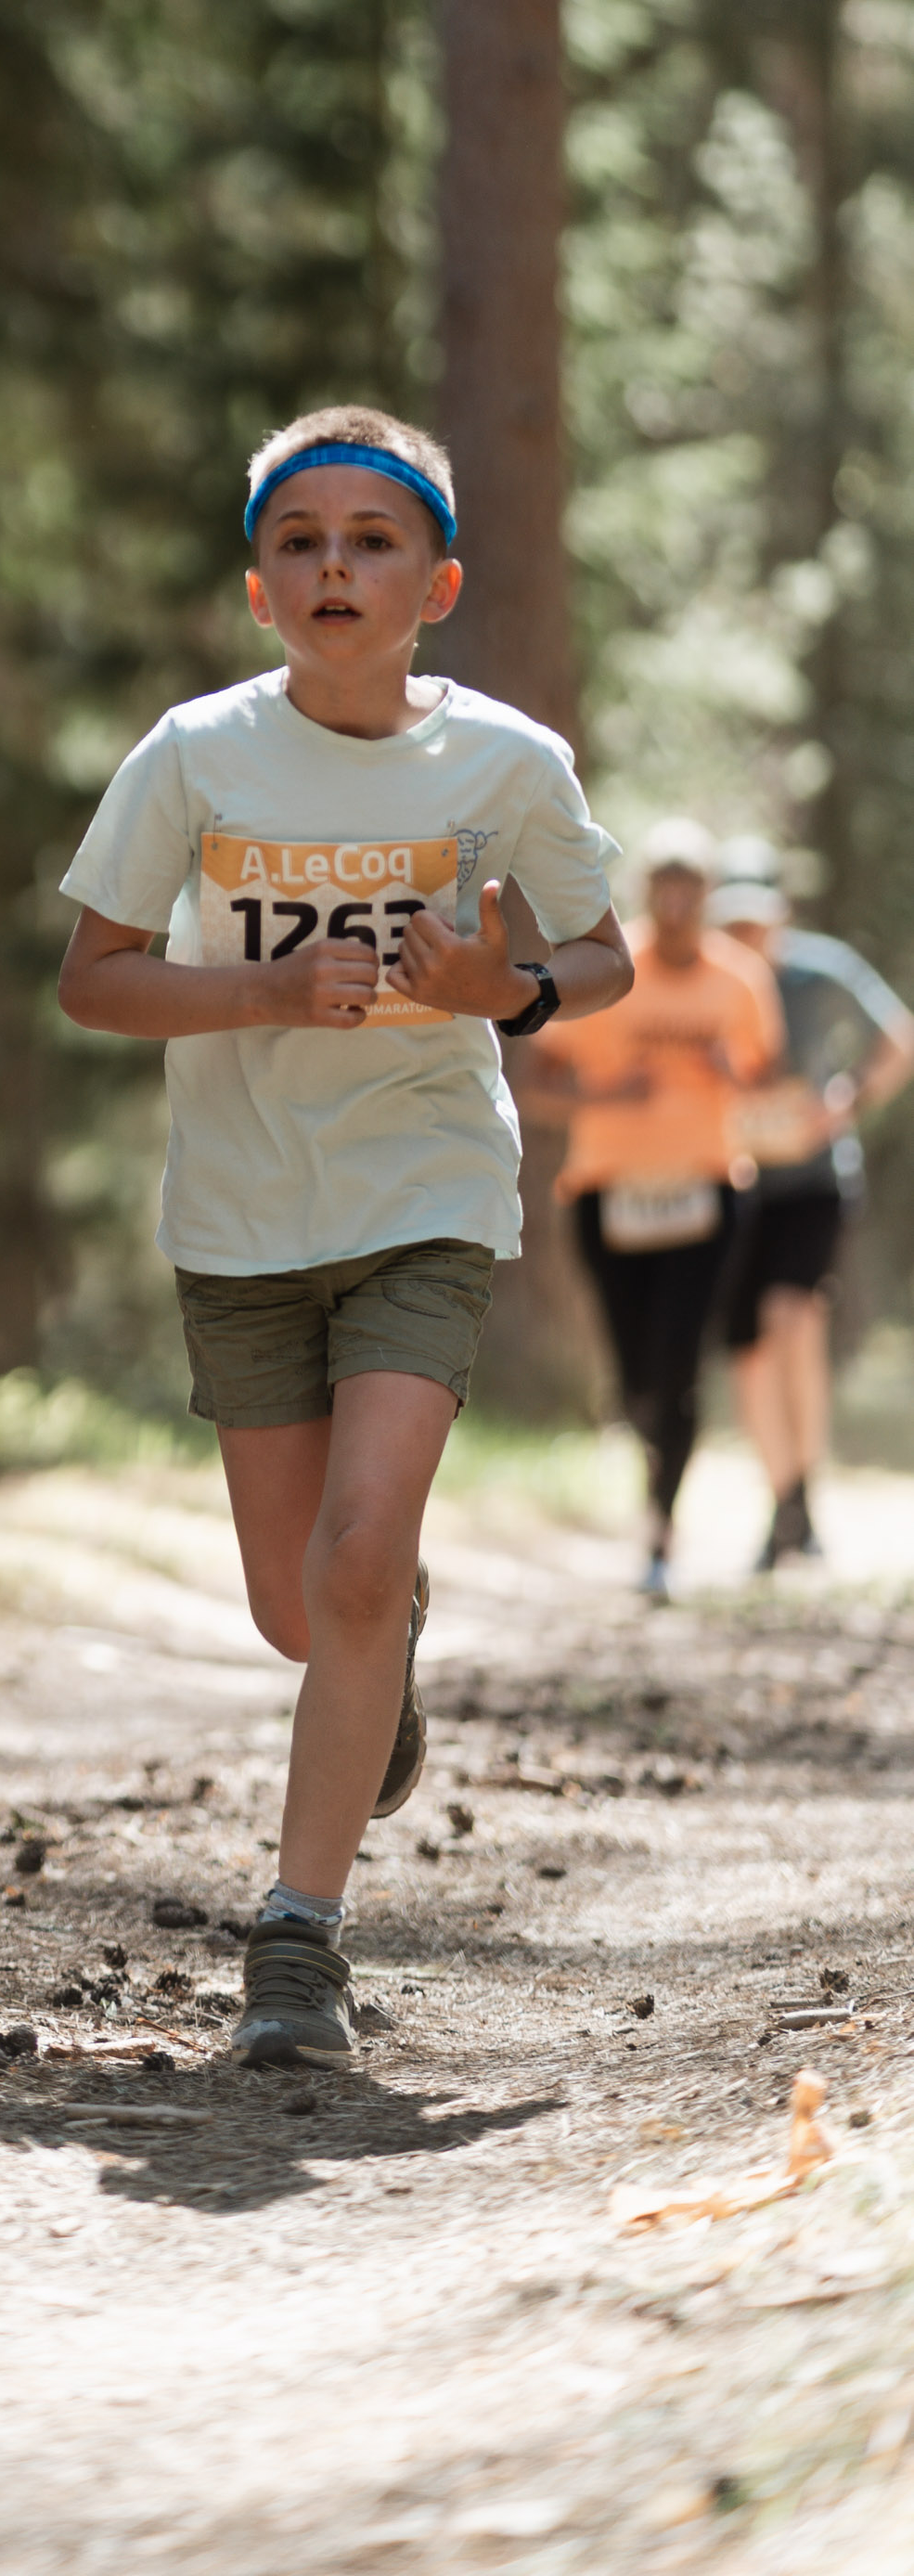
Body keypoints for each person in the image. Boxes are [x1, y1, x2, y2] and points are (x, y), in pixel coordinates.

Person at [57, 405, 629, 2069]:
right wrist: (255, 988)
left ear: (434, 583)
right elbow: (89, 975)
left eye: (369, 540)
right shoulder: (192, 755)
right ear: (256, 589)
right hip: (238, 1217)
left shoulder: (507, 766)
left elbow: (599, 962)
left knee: (355, 1558)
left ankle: (295, 1946)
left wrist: (502, 989)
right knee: (299, 1610)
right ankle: (373, 1654)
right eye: (298, 541)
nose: (332, 566)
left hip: (424, 1195)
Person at [519, 820, 781, 1604]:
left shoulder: (737, 981)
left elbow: (769, 1085)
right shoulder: (607, 972)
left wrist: (731, 1071)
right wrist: (606, 1094)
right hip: (609, 1195)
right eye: (661, 886)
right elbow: (536, 1087)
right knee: (636, 1370)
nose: (673, 902)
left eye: (688, 887)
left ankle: (661, 1530)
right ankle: (650, 1469)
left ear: (704, 897)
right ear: (645, 895)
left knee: (678, 1361)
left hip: (706, 1190)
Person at [707, 838, 914, 1571]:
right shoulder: (702, 976)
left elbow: (898, 1037)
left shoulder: (819, 969)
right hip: (728, 1183)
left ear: (780, 913)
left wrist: (844, 1102)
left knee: (791, 1319)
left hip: (814, 1183)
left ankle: (804, 1497)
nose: (743, 935)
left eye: (754, 920)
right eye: (729, 921)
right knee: (750, 1351)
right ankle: (782, 1503)